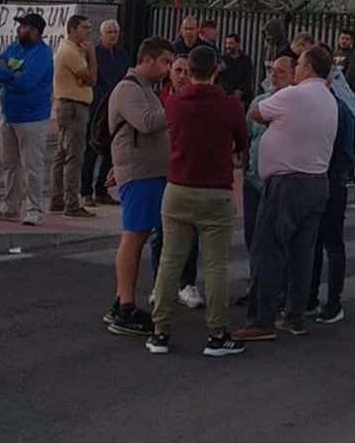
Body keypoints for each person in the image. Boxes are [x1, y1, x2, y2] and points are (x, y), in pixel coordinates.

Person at [146, 45, 249, 358]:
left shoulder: (174, 103)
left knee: (170, 261)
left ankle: (160, 331)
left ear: (188, 71)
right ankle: (217, 334)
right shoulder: (229, 105)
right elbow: (242, 141)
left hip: (177, 188)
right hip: (215, 190)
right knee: (215, 264)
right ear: (216, 70)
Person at [233, 44, 339, 342]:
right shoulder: (329, 98)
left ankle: (261, 319)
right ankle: (294, 316)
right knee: (302, 253)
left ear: (305, 68)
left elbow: (255, 111)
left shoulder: (293, 94)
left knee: (268, 250)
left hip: (287, 183)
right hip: (317, 181)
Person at [102, 37, 175, 338]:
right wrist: (176, 107)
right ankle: (125, 307)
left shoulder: (145, 89)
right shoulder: (129, 88)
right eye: (166, 62)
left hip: (150, 173)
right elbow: (145, 123)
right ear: (148, 59)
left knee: (140, 234)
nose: (169, 69)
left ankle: (122, 299)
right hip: (139, 174)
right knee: (133, 237)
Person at [0, 12, 56, 226]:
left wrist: (6, 75)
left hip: (32, 118)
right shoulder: (13, 48)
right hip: (8, 116)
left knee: (32, 165)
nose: (18, 30)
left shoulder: (42, 54)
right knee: (9, 164)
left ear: (35, 31)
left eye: (23, 26)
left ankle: (34, 209)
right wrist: (10, 75)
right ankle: (10, 207)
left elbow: (28, 82)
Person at [237, 55, 296, 307]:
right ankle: (256, 284)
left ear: (294, 75)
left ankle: (280, 289)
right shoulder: (259, 102)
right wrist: (244, 165)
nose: (274, 75)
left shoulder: (295, 104)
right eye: (272, 70)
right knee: (253, 235)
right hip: (253, 181)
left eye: (282, 71)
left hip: (280, 183)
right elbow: (246, 136)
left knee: (279, 238)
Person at [308, 44, 355, 324]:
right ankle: (313, 295)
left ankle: (333, 300)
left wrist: (338, 176)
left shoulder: (338, 108)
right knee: (317, 240)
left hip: (330, 180)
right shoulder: (332, 106)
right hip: (324, 177)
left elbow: (346, 152)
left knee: (330, 241)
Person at [150, 56, 203, 308]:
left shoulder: (198, 102)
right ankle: (159, 285)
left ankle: (187, 283)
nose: (182, 75)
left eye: (186, 71)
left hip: (190, 173)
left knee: (190, 232)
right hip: (163, 172)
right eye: (178, 70)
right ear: (169, 73)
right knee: (160, 233)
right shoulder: (159, 100)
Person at [49, 14, 99, 218]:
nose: (89, 31)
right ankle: (71, 203)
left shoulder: (71, 50)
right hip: (73, 107)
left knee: (62, 153)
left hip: (68, 105)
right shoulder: (70, 52)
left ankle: (57, 198)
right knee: (74, 154)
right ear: (73, 29)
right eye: (85, 28)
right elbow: (91, 78)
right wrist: (92, 56)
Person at [83, 19, 131, 207]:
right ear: (102, 34)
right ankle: (85, 191)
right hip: (97, 106)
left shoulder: (121, 54)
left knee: (111, 151)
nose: (113, 36)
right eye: (109, 32)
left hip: (116, 106)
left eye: (115, 32)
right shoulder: (93, 54)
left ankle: (101, 190)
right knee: (91, 150)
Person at [219, 33, 256, 106]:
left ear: (238, 44)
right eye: (226, 43)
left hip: (245, 98)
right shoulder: (222, 60)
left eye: (231, 43)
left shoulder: (246, 60)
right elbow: (221, 79)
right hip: (227, 96)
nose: (228, 46)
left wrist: (240, 91)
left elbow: (248, 78)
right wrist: (231, 92)